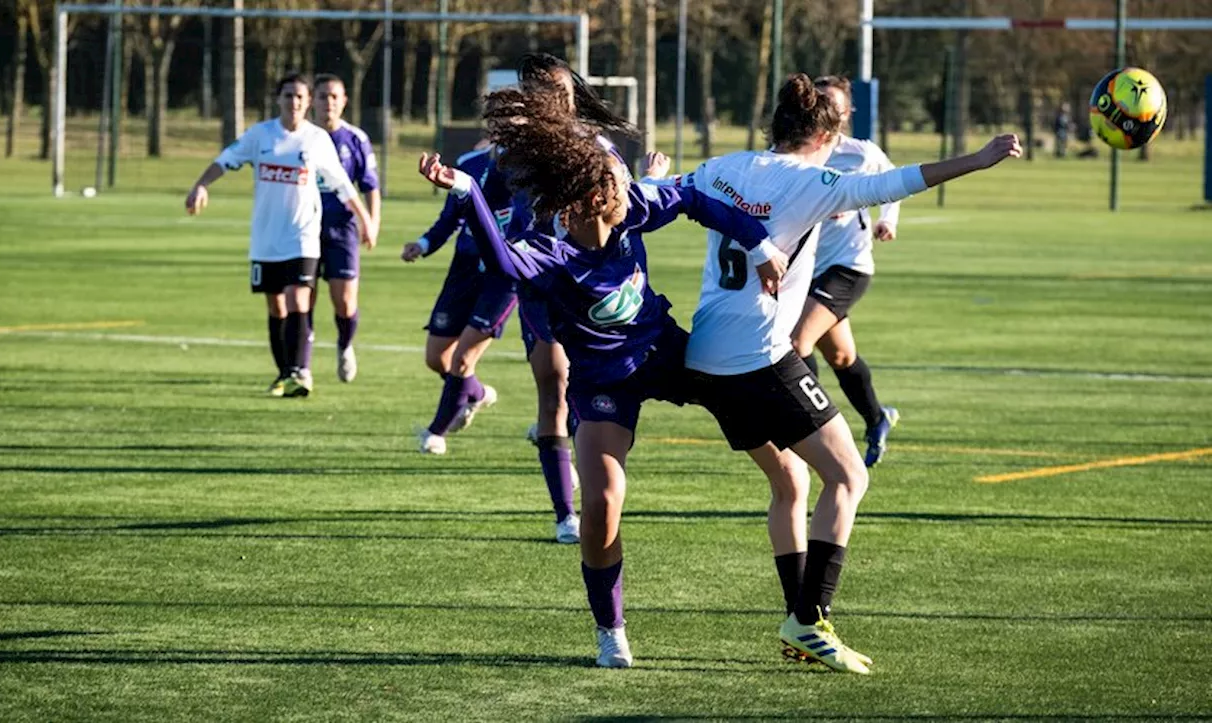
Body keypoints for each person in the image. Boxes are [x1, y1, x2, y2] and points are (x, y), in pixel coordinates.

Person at [417, 84, 786, 669]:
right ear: (586, 203)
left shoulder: (633, 206)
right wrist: (466, 191)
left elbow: (695, 200)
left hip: (666, 354)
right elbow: (503, 264)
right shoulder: (550, 253)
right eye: (615, 183)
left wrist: (760, 242)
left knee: (770, 439)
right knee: (604, 502)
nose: (627, 188)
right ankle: (610, 628)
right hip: (603, 384)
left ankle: (796, 520)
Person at [676, 73, 1022, 673]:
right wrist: (981, 159)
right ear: (828, 136)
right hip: (759, 355)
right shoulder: (815, 181)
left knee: (790, 483)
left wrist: (656, 172)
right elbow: (899, 181)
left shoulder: (721, 166)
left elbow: (660, 193)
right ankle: (810, 620)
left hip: (704, 357)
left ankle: (798, 622)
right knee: (849, 477)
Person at [509, 53, 645, 547]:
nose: (555, 103)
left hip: (598, 294)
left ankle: (592, 475)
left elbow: (626, 212)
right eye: (543, 94)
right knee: (554, 385)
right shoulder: (520, 155)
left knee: (586, 394)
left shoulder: (602, 149)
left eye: (562, 94)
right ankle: (565, 512)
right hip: (546, 289)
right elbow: (513, 223)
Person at [185, 73, 371, 398]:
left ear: (308, 101)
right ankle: (285, 372)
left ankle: (300, 372)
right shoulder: (260, 135)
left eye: (300, 97)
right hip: (267, 237)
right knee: (275, 307)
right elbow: (225, 160)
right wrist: (201, 184)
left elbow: (342, 183)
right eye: (288, 96)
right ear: (278, 99)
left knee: (297, 298)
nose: (294, 102)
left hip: (303, 236)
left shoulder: (316, 140)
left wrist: (365, 218)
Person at [790, 75, 902, 468]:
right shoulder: (797, 153)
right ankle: (877, 418)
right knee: (841, 356)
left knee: (797, 342)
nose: (827, 109)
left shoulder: (860, 154)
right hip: (805, 271)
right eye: (819, 101)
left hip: (848, 266)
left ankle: (816, 429)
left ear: (847, 113)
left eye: (835, 105)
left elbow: (894, 183)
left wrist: (889, 220)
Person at [401, 143, 518, 464]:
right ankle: (476, 393)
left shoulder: (533, 163)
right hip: (464, 268)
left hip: (504, 276)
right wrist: (424, 244)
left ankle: (436, 432)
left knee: (463, 359)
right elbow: (452, 215)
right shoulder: (470, 161)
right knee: (437, 357)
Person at [310, 73, 381, 383]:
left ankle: (345, 345)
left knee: (344, 300)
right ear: (312, 99)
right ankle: (302, 365)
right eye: (323, 96)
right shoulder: (301, 137)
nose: (329, 102)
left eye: (334, 96)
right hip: (304, 227)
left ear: (344, 101)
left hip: (343, 228)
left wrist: (373, 222)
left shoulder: (356, 139)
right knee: (302, 299)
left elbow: (370, 185)